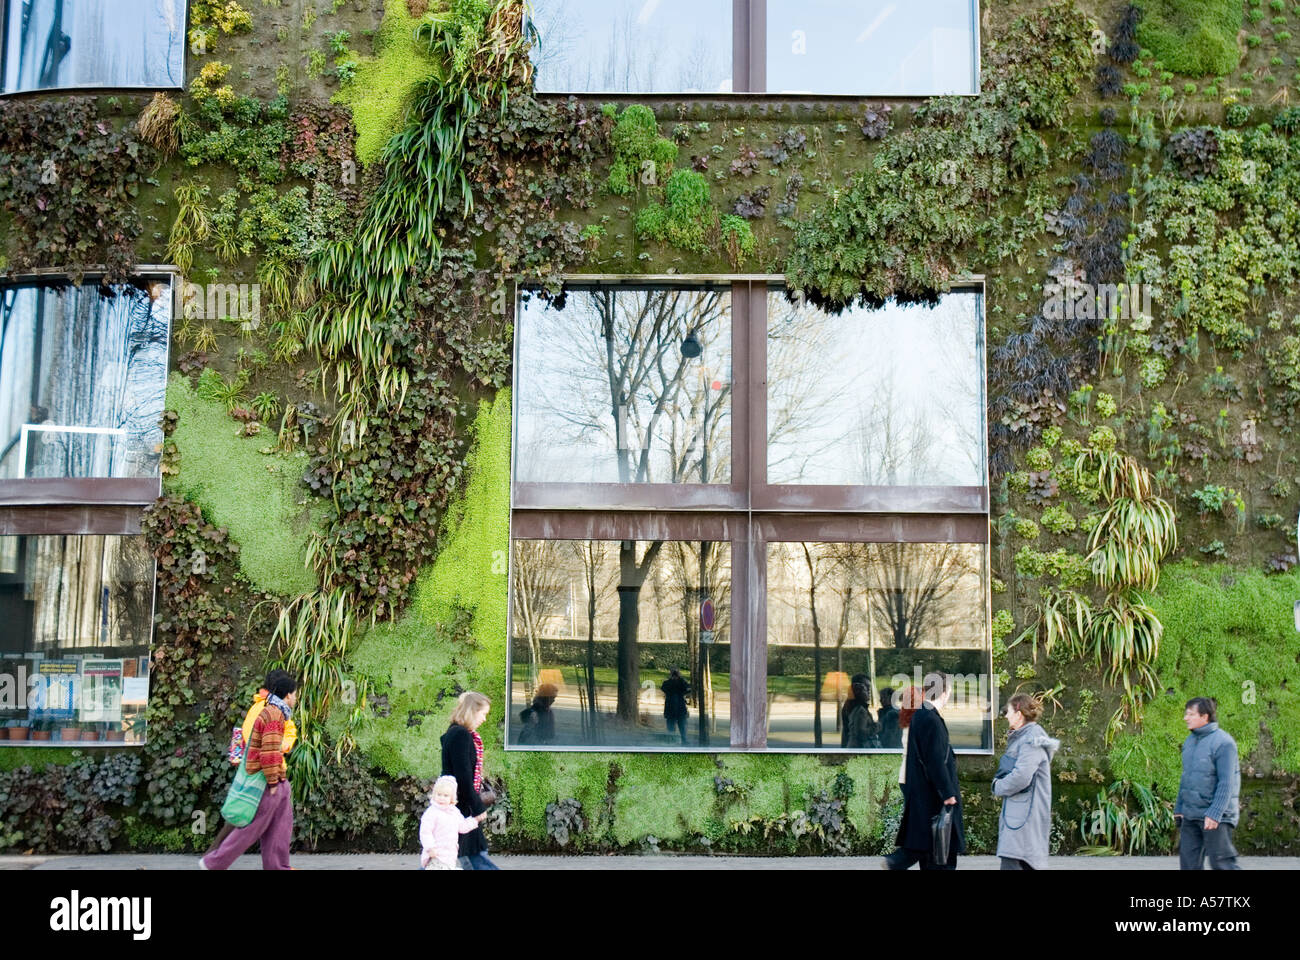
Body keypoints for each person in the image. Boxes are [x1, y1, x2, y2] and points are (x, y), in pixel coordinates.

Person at [200, 672, 298, 870]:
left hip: (278, 777)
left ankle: (277, 867)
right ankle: (213, 863)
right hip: (267, 779)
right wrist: (272, 782)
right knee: (251, 829)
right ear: (287, 695)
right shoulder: (273, 714)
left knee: (280, 829)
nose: (296, 698)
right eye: (295, 694)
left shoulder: (275, 712)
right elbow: (268, 750)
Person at [884, 673, 964, 870]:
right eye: (949, 691)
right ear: (943, 692)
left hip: (924, 792)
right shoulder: (930, 718)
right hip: (933, 795)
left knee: (928, 846)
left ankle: (898, 861)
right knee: (940, 850)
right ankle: (896, 862)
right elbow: (935, 760)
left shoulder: (921, 714)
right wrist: (948, 793)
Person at [992, 693, 1059, 870]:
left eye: (1009, 711)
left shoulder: (1031, 739)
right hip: (1019, 820)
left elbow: (1021, 777)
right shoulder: (1025, 737)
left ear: (1019, 714)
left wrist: (997, 786)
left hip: (1022, 823)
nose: (1005, 715)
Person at [1174, 697, 1241, 870]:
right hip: (1191, 814)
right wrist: (1180, 808)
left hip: (1216, 817)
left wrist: (1215, 812)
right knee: (1189, 865)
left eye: (1191, 714)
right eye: (1186, 713)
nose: (1185, 718)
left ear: (1205, 716)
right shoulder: (1190, 742)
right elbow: (1186, 778)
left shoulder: (1224, 743)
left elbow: (1227, 782)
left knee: (1222, 864)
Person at [441, 691, 499, 870]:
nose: (485, 719)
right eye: (483, 714)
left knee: (468, 856)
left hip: (458, 807)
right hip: (462, 808)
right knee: (475, 858)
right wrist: (477, 807)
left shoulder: (456, 732)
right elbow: (463, 778)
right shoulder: (461, 735)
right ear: (472, 711)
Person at [420, 775, 488, 870]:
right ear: (434, 795)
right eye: (439, 794)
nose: (441, 798)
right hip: (436, 856)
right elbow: (425, 832)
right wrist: (430, 848)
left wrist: (475, 820)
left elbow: (462, 826)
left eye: (446, 796)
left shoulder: (454, 812)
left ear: (452, 798)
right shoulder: (431, 813)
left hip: (450, 856)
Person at [840, 673, 880, 748]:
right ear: (857, 690)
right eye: (866, 688)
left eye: (869, 688)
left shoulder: (851, 705)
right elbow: (861, 734)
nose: (868, 691)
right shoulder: (858, 710)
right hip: (858, 749)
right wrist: (877, 726)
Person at [661, 669, 689, 745]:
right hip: (680, 708)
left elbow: (664, 688)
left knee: (671, 727)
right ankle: (683, 741)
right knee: (682, 727)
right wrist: (680, 679)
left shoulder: (667, 683)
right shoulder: (681, 683)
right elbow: (688, 689)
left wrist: (672, 680)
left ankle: (673, 741)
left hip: (671, 708)